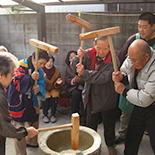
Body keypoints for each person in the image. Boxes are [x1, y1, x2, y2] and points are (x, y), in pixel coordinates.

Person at [72, 36, 120, 155]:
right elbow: (74, 65)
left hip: (107, 98)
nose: (101, 51)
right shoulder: (88, 54)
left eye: (105, 48)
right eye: (98, 47)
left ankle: (110, 144)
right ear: (94, 44)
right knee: (90, 125)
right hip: (91, 97)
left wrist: (85, 73)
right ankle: (92, 147)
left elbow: (102, 78)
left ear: (110, 47)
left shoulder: (114, 59)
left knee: (109, 125)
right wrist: (79, 57)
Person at [115, 12, 155, 144]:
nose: (141, 30)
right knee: (127, 115)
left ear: (153, 26)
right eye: (139, 26)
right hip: (131, 86)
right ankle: (122, 134)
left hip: (149, 90)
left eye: (144, 27)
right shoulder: (133, 39)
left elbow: (147, 96)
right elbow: (123, 61)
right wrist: (121, 76)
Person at [8, 50, 49, 155]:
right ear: (33, 58)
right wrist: (30, 78)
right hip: (19, 100)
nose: (41, 66)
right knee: (19, 129)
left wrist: (38, 90)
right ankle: (21, 153)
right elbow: (15, 81)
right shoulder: (19, 65)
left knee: (34, 122)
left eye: (44, 64)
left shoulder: (39, 71)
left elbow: (41, 84)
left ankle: (32, 142)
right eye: (40, 63)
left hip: (31, 100)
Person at [0, 52, 39, 155]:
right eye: (11, 76)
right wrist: (25, 132)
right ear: (1, 75)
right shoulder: (0, 96)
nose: (12, 79)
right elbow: (5, 128)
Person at [65, 50, 86, 125]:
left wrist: (81, 81)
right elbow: (67, 80)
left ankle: (84, 117)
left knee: (84, 94)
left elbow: (87, 78)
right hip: (72, 88)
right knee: (75, 94)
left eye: (74, 57)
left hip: (82, 87)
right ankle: (74, 115)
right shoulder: (68, 68)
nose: (73, 59)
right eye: (71, 58)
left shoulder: (82, 66)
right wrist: (73, 81)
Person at [42, 54, 63, 123]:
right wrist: (43, 79)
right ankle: (45, 114)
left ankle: (53, 114)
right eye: (47, 62)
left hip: (54, 88)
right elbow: (39, 84)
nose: (49, 64)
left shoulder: (57, 72)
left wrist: (57, 83)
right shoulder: (40, 71)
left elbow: (58, 85)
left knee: (55, 96)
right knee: (45, 97)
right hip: (44, 89)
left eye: (51, 62)